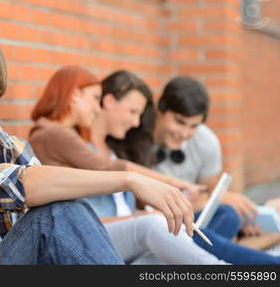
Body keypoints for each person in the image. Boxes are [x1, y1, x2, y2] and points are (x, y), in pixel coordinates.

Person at [0, 27, 195, 265]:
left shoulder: (16, 149)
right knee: (57, 213)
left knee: (78, 215)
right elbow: (5, 186)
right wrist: (131, 180)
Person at [29, 66, 228, 264]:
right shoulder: (53, 133)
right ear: (74, 95)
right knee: (153, 227)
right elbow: (109, 167)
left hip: (91, 233)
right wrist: (166, 184)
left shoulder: (61, 135)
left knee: (165, 242)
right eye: (94, 99)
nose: (97, 109)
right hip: (78, 237)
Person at [103, 72, 280, 264]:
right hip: (155, 218)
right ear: (159, 110)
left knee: (229, 216)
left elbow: (212, 195)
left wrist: (227, 203)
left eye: (193, 126)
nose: (185, 133)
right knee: (196, 233)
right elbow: (138, 200)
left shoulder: (205, 141)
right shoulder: (132, 133)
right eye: (179, 122)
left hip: (188, 219)